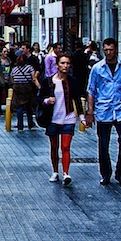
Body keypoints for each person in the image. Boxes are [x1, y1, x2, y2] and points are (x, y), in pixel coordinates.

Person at [86, 38, 121, 186]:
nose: (108, 53)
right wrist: (90, 112)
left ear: (116, 49)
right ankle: (106, 173)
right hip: (103, 110)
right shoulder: (97, 68)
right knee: (103, 143)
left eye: (111, 49)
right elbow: (91, 90)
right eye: (105, 50)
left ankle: (120, 172)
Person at [38, 53, 84, 185]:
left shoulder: (72, 81)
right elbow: (40, 99)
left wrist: (81, 116)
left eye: (68, 63)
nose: (65, 66)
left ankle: (66, 173)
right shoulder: (48, 81)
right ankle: (55, 171)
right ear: (57, 65)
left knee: (65, 146)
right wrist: (47, 101)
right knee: (54, 146)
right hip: (53, 119)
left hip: (68, 118)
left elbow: (77, 99)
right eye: (63, 63)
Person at [10, 53, 39, 131]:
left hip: (17, 88)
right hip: (27, 88)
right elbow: (33, 78)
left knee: (19, 106)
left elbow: (12, 79)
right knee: (28, 106)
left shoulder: (14, 69)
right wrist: (39, 86)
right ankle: (30, 123)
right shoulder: (29, 68)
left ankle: (20, 125)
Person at [0, 46, 12, 110]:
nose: (6, 53)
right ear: (1, 53)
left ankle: (8, 108)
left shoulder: (9, 60)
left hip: (8, 79)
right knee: (0, 95)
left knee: (8, 95)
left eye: (7, 51)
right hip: (1, 80)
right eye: (4, 51)